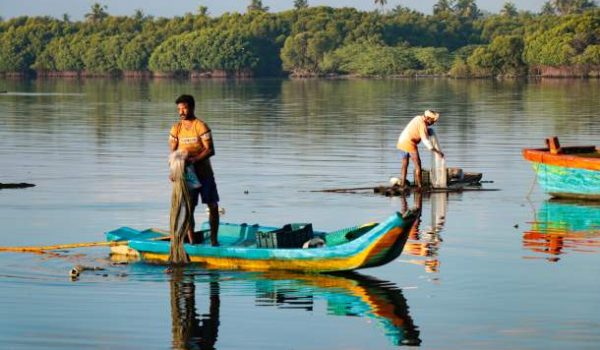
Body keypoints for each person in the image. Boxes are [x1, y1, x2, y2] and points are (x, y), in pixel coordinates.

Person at [169, 94, 220, 246]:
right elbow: (173, 154)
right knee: (188, 208)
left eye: (184, 108)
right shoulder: (176, 129)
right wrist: (173, 171)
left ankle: (214, 241)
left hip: (204, 174)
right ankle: (192, 243)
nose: (181, 112)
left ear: (192, 107)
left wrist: (194, 160)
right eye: (179, 109)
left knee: (213, 205)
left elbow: (210, 150)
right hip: (186, 176)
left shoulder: (201, 126)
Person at [396, 110, 444, 188]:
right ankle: (420, 186)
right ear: (428, 118)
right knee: (418, 165)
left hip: (401, 141)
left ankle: (402, 184)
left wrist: (428, 131)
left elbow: (419, 130)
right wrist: (438, 152)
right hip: (409, 143)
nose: (433, 123)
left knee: (405, 164)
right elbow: (426, 141)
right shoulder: (423, 125)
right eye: (432, 121)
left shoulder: (418, 118)